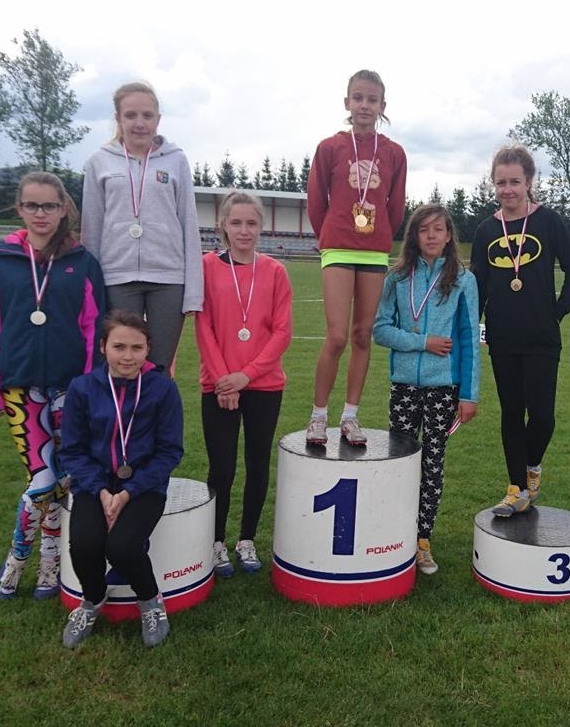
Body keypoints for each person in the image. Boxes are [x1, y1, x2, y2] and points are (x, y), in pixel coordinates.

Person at [0, 172, 107, 602]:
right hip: (19, 388)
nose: (40, 214)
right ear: (19, 209)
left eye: (49, 205)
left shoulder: (82, 262)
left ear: (63, 208)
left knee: (64, 477)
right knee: (43, 476)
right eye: (31, 205)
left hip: (73, 390)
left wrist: (93, 389)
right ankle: (17, 558)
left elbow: (94, 330)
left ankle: (50, 563)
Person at [471, 145, 570, 517]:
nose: (508, 190)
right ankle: (516, 488)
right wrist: (472, 328)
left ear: (529, 182)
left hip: (542, 337)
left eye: (515, 182)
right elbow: (478, 287)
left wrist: (557, 312)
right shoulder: (486, 230)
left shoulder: (549, 222)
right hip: (502, 338)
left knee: (542, 417)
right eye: (501, 182)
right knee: (511, 414)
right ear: (493, 184)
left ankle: (532, 466)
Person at [59, 310, 183, 649]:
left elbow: (170, 451)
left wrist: (129, 491)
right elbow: (72, 450)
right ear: (103, 347)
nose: (127, 356)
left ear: (148, 350)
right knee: (84, 544)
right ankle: (92, 599)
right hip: (94, 484)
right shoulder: (82, 388)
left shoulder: (162, 389)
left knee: (122, 546)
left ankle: (151, 601)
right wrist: (101, 491)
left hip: (145, 485)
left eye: (136, 348)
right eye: (119, 347)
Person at [373, 204, 480, 573]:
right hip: (404, 385)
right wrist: (423, 343)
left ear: (449, 236)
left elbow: (469, 340)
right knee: (400, 462)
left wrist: (469, 394)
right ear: (414, 236)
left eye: (438, 229)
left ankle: (422, 539)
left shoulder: (464, 280)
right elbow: (380, 330)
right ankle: (394, 532)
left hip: (444, 388)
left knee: (432, 463)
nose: (431, 236)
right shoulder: (397, 278)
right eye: (424, 229)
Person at [305, 69, 408, 446]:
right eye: (358, 98)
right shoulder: (329, 147)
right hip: (338, 247)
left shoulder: (394, 153)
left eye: (372, 99)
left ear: (383, 106)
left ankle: (350, 416)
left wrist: (379, 235)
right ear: (347, 102)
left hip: (374, 251)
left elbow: (396, 206)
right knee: (336, 336)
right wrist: (331, 234)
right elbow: (316, 200)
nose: (365, 105)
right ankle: (318, 416)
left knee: (363, 335)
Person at [195, 192, 292, 577]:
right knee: (221, 467)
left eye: (251, 223)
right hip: (217, 384)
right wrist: (225, 381)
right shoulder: (206, 266)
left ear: (261, 226)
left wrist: (246, 376)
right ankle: (216, 541)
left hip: (264, 385)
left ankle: (246, 539)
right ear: (223, 225)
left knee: (257, 464)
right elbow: (203, 326)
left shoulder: (275, 271)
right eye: (236, 223)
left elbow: (282, 332)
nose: (244, 230)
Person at [81, 81, 202, 375]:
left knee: (158, 369)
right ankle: (121, 409)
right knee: (123, 366)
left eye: (147, 115)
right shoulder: (99, 161)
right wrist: (89, 287)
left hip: (168, 278)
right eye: (130, 115)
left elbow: (188, 223)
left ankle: (158, 408)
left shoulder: (176, 160)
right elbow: (91, 227)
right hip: (117, 277)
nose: (139, 123)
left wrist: (193, 292)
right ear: (118, 118)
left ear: (158, 119)